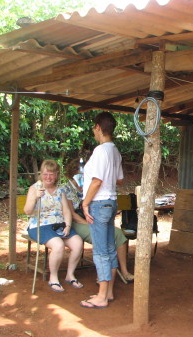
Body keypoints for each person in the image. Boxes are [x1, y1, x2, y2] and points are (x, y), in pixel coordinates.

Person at [62, 158, 134, 283]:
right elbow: (71, 214)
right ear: (73, 173)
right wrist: (89, 223)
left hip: (93, 218)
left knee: (119, 235)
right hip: (77, 222)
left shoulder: (89, 186)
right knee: (101, 237)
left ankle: (124, 271)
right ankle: (102, 275)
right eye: (80, 172)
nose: (83, 175)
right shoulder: (66, 189)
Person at [80, 112, 124, 309]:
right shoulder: (115, 151)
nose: (93, 131)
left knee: (100, 252)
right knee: (109, 248)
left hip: (98, 204)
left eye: (93, 127)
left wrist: (85, 203)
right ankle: (109, 292)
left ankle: (101, 297)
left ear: (98, 127)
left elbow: (97, 180)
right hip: (111, 202)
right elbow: (119, 178)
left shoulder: (100, 151)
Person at [24, 159, 84, 292]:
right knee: (58, 245)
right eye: (45, 174)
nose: (48, 177)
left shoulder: (60, 190)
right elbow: (27, 211)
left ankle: (70, 275)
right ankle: (53, 277)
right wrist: (35, 198)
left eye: (51, 174)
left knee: (77, 242)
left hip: (58, 224)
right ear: (41, 174)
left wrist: (68, 225)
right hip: (39, 225)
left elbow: (66, 210)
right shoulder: (34, 188)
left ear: (56, 175)